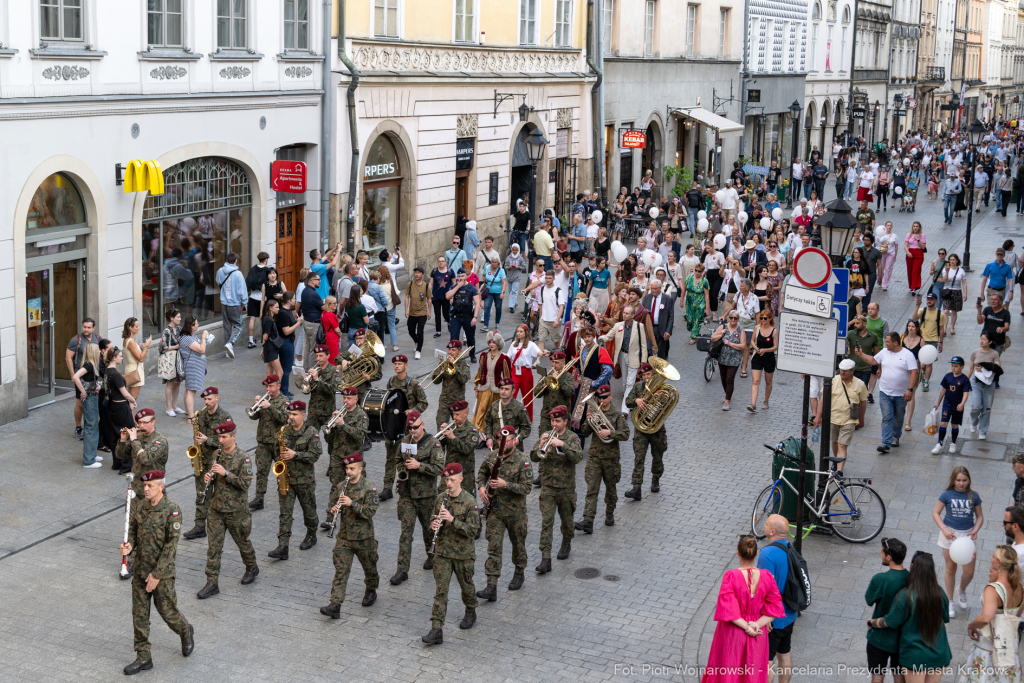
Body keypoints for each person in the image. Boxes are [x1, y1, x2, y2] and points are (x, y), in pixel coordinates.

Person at [120, 469, 194, 676]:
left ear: (161, 487)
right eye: (144, 486)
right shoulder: (140, 506)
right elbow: (133, 532)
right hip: (141, 571)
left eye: (150, 486)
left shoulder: (172, 510)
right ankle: (144, 656)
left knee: (167, 612)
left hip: (162, 573)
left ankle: (185, 630)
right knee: (139, 614)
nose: (145, 489)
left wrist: (157, 574)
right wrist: (129, 547)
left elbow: (172, 545)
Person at [702, 535, 786, 683]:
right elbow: (775, 606)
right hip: (758, 633)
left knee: (728, 672)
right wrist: (756, 625)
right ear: (756, 554)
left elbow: (728, 609)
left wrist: (746, 626)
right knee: (753, 674)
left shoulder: (731, 576)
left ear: (738, 553)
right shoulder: (767, 576)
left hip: (732, 632)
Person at [195, 419, 259, 599]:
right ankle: (211, 582)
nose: (221, 440)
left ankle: (252, 567)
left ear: (233, 436)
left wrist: (226, 473)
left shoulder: (243, 457)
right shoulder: (217, 453)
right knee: (213, 547)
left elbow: (245, 485)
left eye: (224, 437)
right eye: (219, 437)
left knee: (242, 542)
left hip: (236, 510)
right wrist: (211, 477)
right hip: (216, 509)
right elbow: (214, 474)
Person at [869, 551, 952, 682]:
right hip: (940, 654)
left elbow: (891, 621)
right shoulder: (940, 593)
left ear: (912, 566)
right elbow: (945, 618)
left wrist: (872, 623)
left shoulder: (906, 595)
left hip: (915, 655)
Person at [422, 462, 480, 644]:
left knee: (467, 587)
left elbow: (473, 531)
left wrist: (453, 520)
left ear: (461, 479)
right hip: (443, 553)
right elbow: (433, 515)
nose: (449, 483)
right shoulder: (441, 499)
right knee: (441, 591)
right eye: (447, 480)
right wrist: (434, 524)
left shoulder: (470, 502)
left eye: (452, 480)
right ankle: (436, 629)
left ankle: (471, 610)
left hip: (463, 554)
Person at [319, 453, 379, 618]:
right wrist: (333, 511)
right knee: (341, 570)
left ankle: (371, 589)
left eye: (352, 469)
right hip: (345, 536)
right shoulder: (340, 487)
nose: (348, 472)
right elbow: (331, 504)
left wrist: (352, 504)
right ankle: (335, 605)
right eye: (347, 468)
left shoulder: (369, 488)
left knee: (370, 567)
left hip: (363, 537)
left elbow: (370, 512)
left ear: (360, 469)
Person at [388, 412, 444, 586]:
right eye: (410, 428)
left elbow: (439, 468)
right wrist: (401, 471)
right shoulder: (405, 442)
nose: (413, 431)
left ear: (423, 424)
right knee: (406, 534)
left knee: (429, 530)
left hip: (426, 496)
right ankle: (402, 570)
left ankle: (432, 555)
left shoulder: (433, 444)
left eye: (416, 427)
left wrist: (419, 466)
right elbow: (397, 460)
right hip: (407, 496)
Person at [266, 400, 322, 561]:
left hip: (305, 480)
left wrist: (296, 455)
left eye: (295, 414)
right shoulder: (284, 431)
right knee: (285, 513)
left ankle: (311, 534)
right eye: (290, 414)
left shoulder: (311, 432)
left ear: (303, 415)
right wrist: (280, 463)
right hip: (287, 479)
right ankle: (283, 545)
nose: (291, 417)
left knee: (309, 511)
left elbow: (315, 456)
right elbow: (277, 450)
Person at [960, 545, 1024, 681]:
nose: (991, 558)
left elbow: (986, 618)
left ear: (999, 563)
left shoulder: (993, 589)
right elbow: (1016, 615)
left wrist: (971, 626)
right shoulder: (1021, 587)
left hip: (989, 647)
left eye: (993, 556)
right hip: (1009, 647)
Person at [530, 406, 582, 571]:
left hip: (566, 488)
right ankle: (546, 558)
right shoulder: (546, 435)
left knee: (567, 521)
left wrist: (562, 444)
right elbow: (533, 457)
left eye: (558, 421)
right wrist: (541, 444)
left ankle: (566, 542)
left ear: (565, 421)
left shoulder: (572, 438)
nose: (554, 424)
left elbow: (577, 457)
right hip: (548, 488)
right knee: (547, 522)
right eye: (552, 420)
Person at [574, 384, 630, 533]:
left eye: (605, 397)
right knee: (592, 489)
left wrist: (610, 433)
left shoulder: (617, 414)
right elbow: (585, 433)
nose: (602, 400)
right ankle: (588, 521)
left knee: (611, 489)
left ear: (610, 397)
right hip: (594, 457)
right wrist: (587, 420)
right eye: (599, 398)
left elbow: (625, 434)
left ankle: (609, 513)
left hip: (611, 459)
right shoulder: (594, 412)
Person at [933, 465, 984, 618]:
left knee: (969, 572)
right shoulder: (945, 494)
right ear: (953, 481)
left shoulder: (974, 496)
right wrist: (944, 529)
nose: (961, 483)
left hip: (968, 536)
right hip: (949, 534)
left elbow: (980, 516)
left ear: (969, 481)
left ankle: (961, 589)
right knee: (951, 568)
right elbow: (936, 513)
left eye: (964, 480)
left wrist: (975, 530)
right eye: (958, 480)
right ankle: (950, 601)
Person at [855, 331, 918, 452]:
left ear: (895, 343)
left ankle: (896, 436)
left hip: (901, 394)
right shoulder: (884, 352)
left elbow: (914, 372)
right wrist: (860, 354)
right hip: (884, 392)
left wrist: (910, 390)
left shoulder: (907, 355)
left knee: (898, 418)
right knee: (886, 417)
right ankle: (885, 442)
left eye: (888, 341)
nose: (885, 343)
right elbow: (873, 360)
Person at [381, 355, 430, 495]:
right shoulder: (391, 381)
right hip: (392, 425)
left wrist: (413, 411)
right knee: (390, 457)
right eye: (395, 364)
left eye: (400, 364)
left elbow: (424, 402)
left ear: (406, 366)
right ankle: (387, 488)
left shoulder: (413, 383)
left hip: (409, 429)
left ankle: (407, 486)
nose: (397, 366)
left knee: (408, 457)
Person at [758, 515, 798, 683]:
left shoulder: (767, 554)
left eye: (766, 524)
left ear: (772, 531)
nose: (764, 525)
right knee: (785, 654)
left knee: (765, 662)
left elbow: (763, 588)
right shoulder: (791, 549)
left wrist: (765, 616)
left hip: (773, 618)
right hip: (790, 614)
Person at [865, 537, 909, 683]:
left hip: (879, 638)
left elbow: (869, 599)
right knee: (899, 677)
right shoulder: (911, 578)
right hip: (902, 639)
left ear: (889, 557)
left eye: (882, 553)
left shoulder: (880, 579)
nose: (880, 555)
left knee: (877, 677)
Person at [813, 359, 867, 474]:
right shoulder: (832, 381)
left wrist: (861, 419)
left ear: (852, 371)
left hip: (849, 419)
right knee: (834, 441)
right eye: (841, 370)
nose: (842, 373)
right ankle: (836, 460)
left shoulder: (860, 384)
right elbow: (822, 399)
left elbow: (863, 402)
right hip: (833, 418)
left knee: (842, 445)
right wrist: (818, 416)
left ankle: (839, 471)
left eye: (845, 371)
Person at [623, 363, 668, 501]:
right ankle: (636, 488)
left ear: (653, 374)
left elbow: (668, 405)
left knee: (657, 456)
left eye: (649, 375)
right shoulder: (638, 387)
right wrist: (636, 400)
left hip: (657, 428)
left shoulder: (661, 388)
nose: (647, 378)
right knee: (639, 458)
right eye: (644, 375)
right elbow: (627, 401)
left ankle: (656, 479)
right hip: (641, 429)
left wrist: (661, 398)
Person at [105, 347, 138, 473]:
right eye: (120, 356)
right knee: (128, 434)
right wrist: (132, 400)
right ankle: (126, 466)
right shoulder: (116, 375)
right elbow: (124, 393)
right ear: (114, 358)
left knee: (115, 435)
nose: (122, 358)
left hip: (112, 406)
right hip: (121, 407)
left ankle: (117, 463)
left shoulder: (107, 372)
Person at [67, 317, 100, 440]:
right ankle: (78, 427)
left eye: (88, 327)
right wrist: (72, 374)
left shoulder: (98, 338)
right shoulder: (76, 340)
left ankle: (91, 426)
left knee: (93, 401)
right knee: (80, 403)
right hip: (80, 375)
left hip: (94, 374)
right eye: (84, 327)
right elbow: (68, 358)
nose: (86, 329)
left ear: (93, 328)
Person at [930, 357, 971, 455]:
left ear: (962, 367)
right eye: (952, 366)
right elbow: (943, 390)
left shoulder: (964, 379)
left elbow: (966, 393)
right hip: (947, 404)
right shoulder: (947, 376)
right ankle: (939, 443)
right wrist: (938, 402)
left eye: (956, 366)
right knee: (943, 423)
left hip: (957, 406)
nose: (953, 368)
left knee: (954, 425)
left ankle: (953, 442)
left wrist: (962, 404)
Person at [72, 343, 103, 468]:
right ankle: (89, 460)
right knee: (91, 427)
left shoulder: (91, 364)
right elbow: (75, 377)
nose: (100, 351)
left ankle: (92, 454)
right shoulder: (89, 364)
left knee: (93, 426)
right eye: (98, 350)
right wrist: (83, 392)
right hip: (89, 398)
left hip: (92, 397)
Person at [967, 332, 1002, 440]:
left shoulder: (994, 354)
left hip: (989, 385)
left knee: (986, 409)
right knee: (975, 407)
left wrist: (984, 368)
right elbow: (970, 368)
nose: (981, 341)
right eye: (981, 339)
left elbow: (998, 369)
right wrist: (963, 381)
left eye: (984, 339)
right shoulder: (975, 352)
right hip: (976, 383)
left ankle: (982, 431)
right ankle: (974, 422)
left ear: (990, 342)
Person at [710, 311, 745, 411]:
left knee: (730, 379)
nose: (733, 320)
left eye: (735, 318)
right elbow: (713, 338)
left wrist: (730, 344)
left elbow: (743, 346)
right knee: (723, 379)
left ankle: (727, 401)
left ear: (738, 319)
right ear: (729, 318)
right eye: (731, 318)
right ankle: (727, 394)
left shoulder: (741, 330)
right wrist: (721, 334)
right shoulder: (723, 327)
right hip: (722, 358)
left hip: (734, 359)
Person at [177, 317, 210, 419]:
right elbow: (201, 349)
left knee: (189, 390)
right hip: (193, 366)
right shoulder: (187, 338)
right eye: (196, 323)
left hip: (195, 365)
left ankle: (188, 414)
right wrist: (204, 337)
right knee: (191, 391)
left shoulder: (190, 336)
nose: (198, 325)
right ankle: (191, 416)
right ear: (191, 326)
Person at [507, 323, 540, 421]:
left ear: (526, 333)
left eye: (521, 332)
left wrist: (544, 353)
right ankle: (509, 416)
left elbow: (539, 352)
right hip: (514, 372)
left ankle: (528, 418)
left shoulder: (531, 345)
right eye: (517, 331)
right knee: (511, 395)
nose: (519, 334)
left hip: (526, 373)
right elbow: (508, 356)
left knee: (527, 396)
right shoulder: (513, 344)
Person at [446, 269, 482, 360]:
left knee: (470, 338)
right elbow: (447, 296)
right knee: (454, 338)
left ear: (466, 276)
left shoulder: (471, 288)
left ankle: (472, 354)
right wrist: (458, 287)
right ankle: (453, 357)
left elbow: (477, 303)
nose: (461, 278)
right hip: (456, 316)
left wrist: (475, 317)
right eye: (459, 276)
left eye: (462, 276)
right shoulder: (454, 287)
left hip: (468, 316)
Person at [914, 292, 946, 391]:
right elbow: (914, 318)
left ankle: (926, 381)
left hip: (933, 341)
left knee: (929, 363)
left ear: (936, 301)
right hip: (921, 340)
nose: (929, 301)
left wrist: (941, 342)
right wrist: (917, 306)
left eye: (931, 299)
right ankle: (924, 372)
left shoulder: (939, 314)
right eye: (928, 299)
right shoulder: (922, 310)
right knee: (921, 363)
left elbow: (941, 329)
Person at [748, 311, 778, 412]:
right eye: (761, 318)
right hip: (757, 357)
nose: (763, 320)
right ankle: (753, 404)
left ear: (770, 319)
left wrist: (766, 350)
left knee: (768, 381)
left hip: (769, 358)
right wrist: (756, 348)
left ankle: (766, 400)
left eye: (765, 318)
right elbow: (752, 340)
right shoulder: (757, 328)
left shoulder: (774, 331)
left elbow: (775, 347)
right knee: (755, 381)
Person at [158, 309, 185, 417]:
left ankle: (174, 406)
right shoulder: (166, 331)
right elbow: (161, 348)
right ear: (171, 318)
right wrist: (175, 347)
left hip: (178, 359)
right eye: (178, 317)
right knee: (170, 384)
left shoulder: (179, 329)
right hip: (170, 360)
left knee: (177, 382)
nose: (180, 319)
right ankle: (169, 408)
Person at [642, 279, 674, 361]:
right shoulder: (647, 298)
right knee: (648, 351)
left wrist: (668, 331)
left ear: (660, 288)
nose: (653, 290)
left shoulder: (667, 299)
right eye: (651, 288)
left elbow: (671, 316)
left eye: (655, 289)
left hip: (661, 329)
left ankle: (660, 372)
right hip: (649, 328)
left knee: (660, 353)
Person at [121, 318, 152, 401]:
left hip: (132, 369)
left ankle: (129, 414)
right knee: (132, 399)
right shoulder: (130, 341)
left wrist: (140, 347)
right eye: (136, 326)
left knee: (131, 398)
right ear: (130, 327)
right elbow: (141, 358)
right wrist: (147, 345)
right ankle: (130, 414)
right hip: (135, 371)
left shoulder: (128, 340)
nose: (138, 328)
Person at [938, 254, 966, 335]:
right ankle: (944, 329)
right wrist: (947, 271)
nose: (952, 261)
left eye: (954, 260)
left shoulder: (961, 270)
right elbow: (945, 280)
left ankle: (952, 328)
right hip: (947, 291)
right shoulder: (945, 269)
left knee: (954, 311)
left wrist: (965, 293)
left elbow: (964, 283)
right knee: (946, 310)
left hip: (957, 291)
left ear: (957, 260)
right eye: (950, 260)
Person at [259, 299, 284, 379]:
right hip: (271, 348)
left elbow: (264, 337)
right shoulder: (269, 320)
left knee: (270, 371)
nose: (278, 309)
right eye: (276, 307)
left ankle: (268, 390)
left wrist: (263, 348)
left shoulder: (267, 319)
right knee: (280, 372)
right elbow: (265, 336)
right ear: (270, 308)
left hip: (268, 348)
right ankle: (275, 389)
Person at [481, 256, 507, 331]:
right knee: (487, 307)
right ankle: (485, 325)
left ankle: (497, 322)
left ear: (498, 263)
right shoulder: (487, 268)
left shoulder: (501, 270)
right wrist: (484, 280)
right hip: (488, 292)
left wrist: (502, 292)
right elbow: (483, 275)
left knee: (498, 308)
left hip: (498, 292)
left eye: (495, 262)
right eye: (492, 262)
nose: (494, 263)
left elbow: (504, 282)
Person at [904, 221, 927, 296]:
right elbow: (905, 245)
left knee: (915, 270)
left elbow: (923, 247)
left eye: (917, 226)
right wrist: (907, 252)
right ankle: (911, 286)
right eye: (914, 226)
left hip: (918, 253)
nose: (915, 228)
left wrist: (918, 239)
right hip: (910, 252)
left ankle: (914, 287)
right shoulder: (909, 234)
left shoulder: (922, 235)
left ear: (919, 227)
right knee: (910, 270)